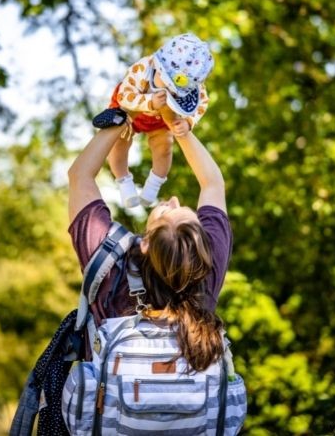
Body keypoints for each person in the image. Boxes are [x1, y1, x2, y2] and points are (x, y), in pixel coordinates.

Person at [68, 107, 231, 372]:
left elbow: (79, 176)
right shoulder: (207, 274)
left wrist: (122, 113)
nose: (174, 199)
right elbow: (212, 183)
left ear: (145, 243)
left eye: (167, 210)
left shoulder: (109, 266)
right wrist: (179, 126)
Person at [97, 32, 213, 208]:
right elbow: (124, 96)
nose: (169, 92)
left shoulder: (192, 82)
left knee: (164, 145)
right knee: (119, 141)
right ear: (158, 66)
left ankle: (154, 183)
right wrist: (148, 102)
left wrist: (189, 121)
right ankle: (123, 180)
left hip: (160, 115)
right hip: (131, 106)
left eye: (175, 92)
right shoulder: (141, 69)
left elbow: (202, 102)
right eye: (166, 84)